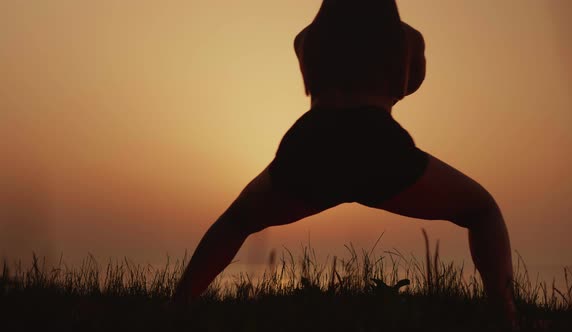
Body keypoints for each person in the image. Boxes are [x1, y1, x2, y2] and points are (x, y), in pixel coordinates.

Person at [174, 0, 517, 327]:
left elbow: (314, 81)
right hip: (376, 142)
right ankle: (506, 319)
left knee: (237, 220)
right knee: (481, 209)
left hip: (312, 142)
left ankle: (177, 308)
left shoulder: (304, 40)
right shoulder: (408, 39)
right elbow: (407, 84)